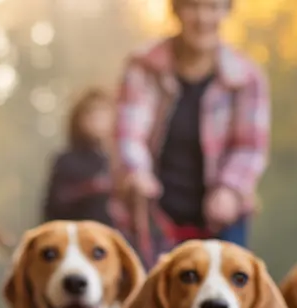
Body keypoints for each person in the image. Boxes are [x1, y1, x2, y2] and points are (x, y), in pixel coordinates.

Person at [112, 0, 270, 267]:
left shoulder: (247, 77)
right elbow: (129, 133)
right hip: (152, 217)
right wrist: (136, 172)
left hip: (221, 219)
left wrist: (230, 189)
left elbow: (250, 147)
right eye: (193, 6)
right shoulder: (143, 66)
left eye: (213, 7)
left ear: (226, 11)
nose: (203, 17)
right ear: (176, 10)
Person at [41, 87, 114, 226]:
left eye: (103, 112)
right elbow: (54, 206)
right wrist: (90, 188)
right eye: (91, 112)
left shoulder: (114, 161)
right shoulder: (66, 161)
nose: (97, 118)